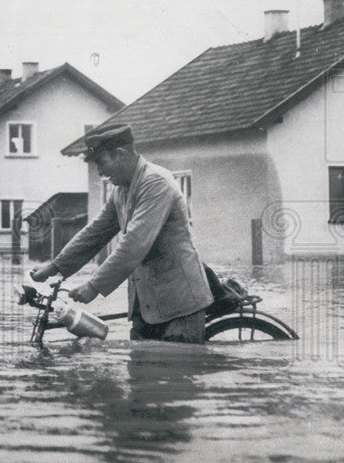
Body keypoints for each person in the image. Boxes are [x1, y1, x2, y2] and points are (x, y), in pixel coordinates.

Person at [30, 124, 213, 343]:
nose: (100, 172)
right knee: (139, 373)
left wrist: (93, 286)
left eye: (101, 162)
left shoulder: (155, 183)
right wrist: (55, 267)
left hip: (179, 304)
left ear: (121, 154)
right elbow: (96, 232)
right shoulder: (122, 190)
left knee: (176, 370)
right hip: (146, 304)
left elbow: (134, 243)